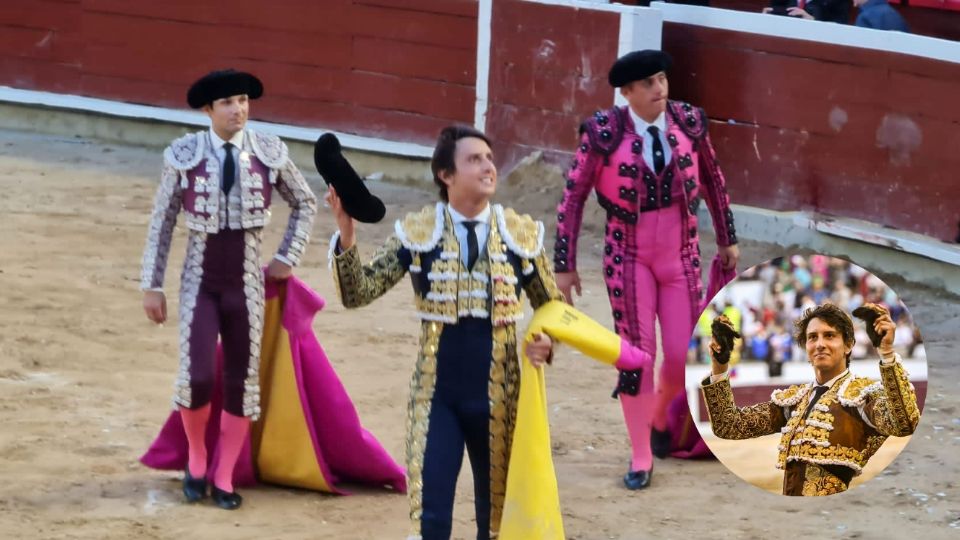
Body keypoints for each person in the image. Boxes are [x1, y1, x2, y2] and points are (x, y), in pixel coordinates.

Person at [328, 125, 573, 540]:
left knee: (496, 524)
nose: (488, 167)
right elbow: (358, 293)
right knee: (431, 522)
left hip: (501, 397)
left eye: (490, 159)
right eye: (474, 159)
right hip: (435, 396)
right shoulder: (419, 233)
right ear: (446, 175)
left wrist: (546, 341)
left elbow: (552, 306)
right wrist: (347, 236)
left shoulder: (520, 235)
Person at [554, 49, 740, 489]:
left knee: (680, 354)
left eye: (662, 79)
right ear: (628, 93)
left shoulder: (689, 123)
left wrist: (727, 237)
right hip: (628, 256)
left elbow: (713, 178)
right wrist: (564, 264)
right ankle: (641, 457)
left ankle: (660, 421)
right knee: (637, 358)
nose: (660, 89)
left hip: (682, 253)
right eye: (650, 83)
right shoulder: (601, 133)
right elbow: (573, 196)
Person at [139, 69, 317, 509]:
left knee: (241, 382)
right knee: (197, 376)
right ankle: (197, 456)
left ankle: (222, 474)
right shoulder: (184, 155)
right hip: (199, 284)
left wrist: (286, 257)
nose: (238, 109)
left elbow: (305, 202)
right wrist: (152, 285)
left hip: (247, 287)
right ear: (208, 110)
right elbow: (162, 222)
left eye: (243, 100)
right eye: (227, 103)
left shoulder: (268, 151)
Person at [700, 303, 920, 496]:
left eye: (830, 335)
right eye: (812, 337)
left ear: (849, 345)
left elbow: (904, 423)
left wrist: (887, 353)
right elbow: (729, 426)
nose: (820, 344)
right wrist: (720, 366)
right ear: (806, 347)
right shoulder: (795, 401)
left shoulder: (861, 396)